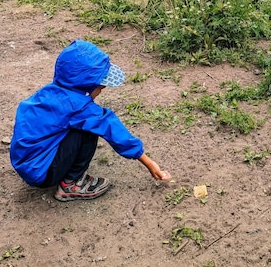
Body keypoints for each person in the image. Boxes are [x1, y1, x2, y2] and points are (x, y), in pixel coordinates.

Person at [10, 39, 170, 201]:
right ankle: (71, 184)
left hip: (26, 163)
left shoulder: (49, 93)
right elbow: (110, 127)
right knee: (89, 129)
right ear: (86, 85)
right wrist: (148, 162)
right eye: (100, 86)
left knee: (79, 126)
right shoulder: (78, 107)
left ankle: (58, 167)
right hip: (42, 173)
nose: (102, 89)